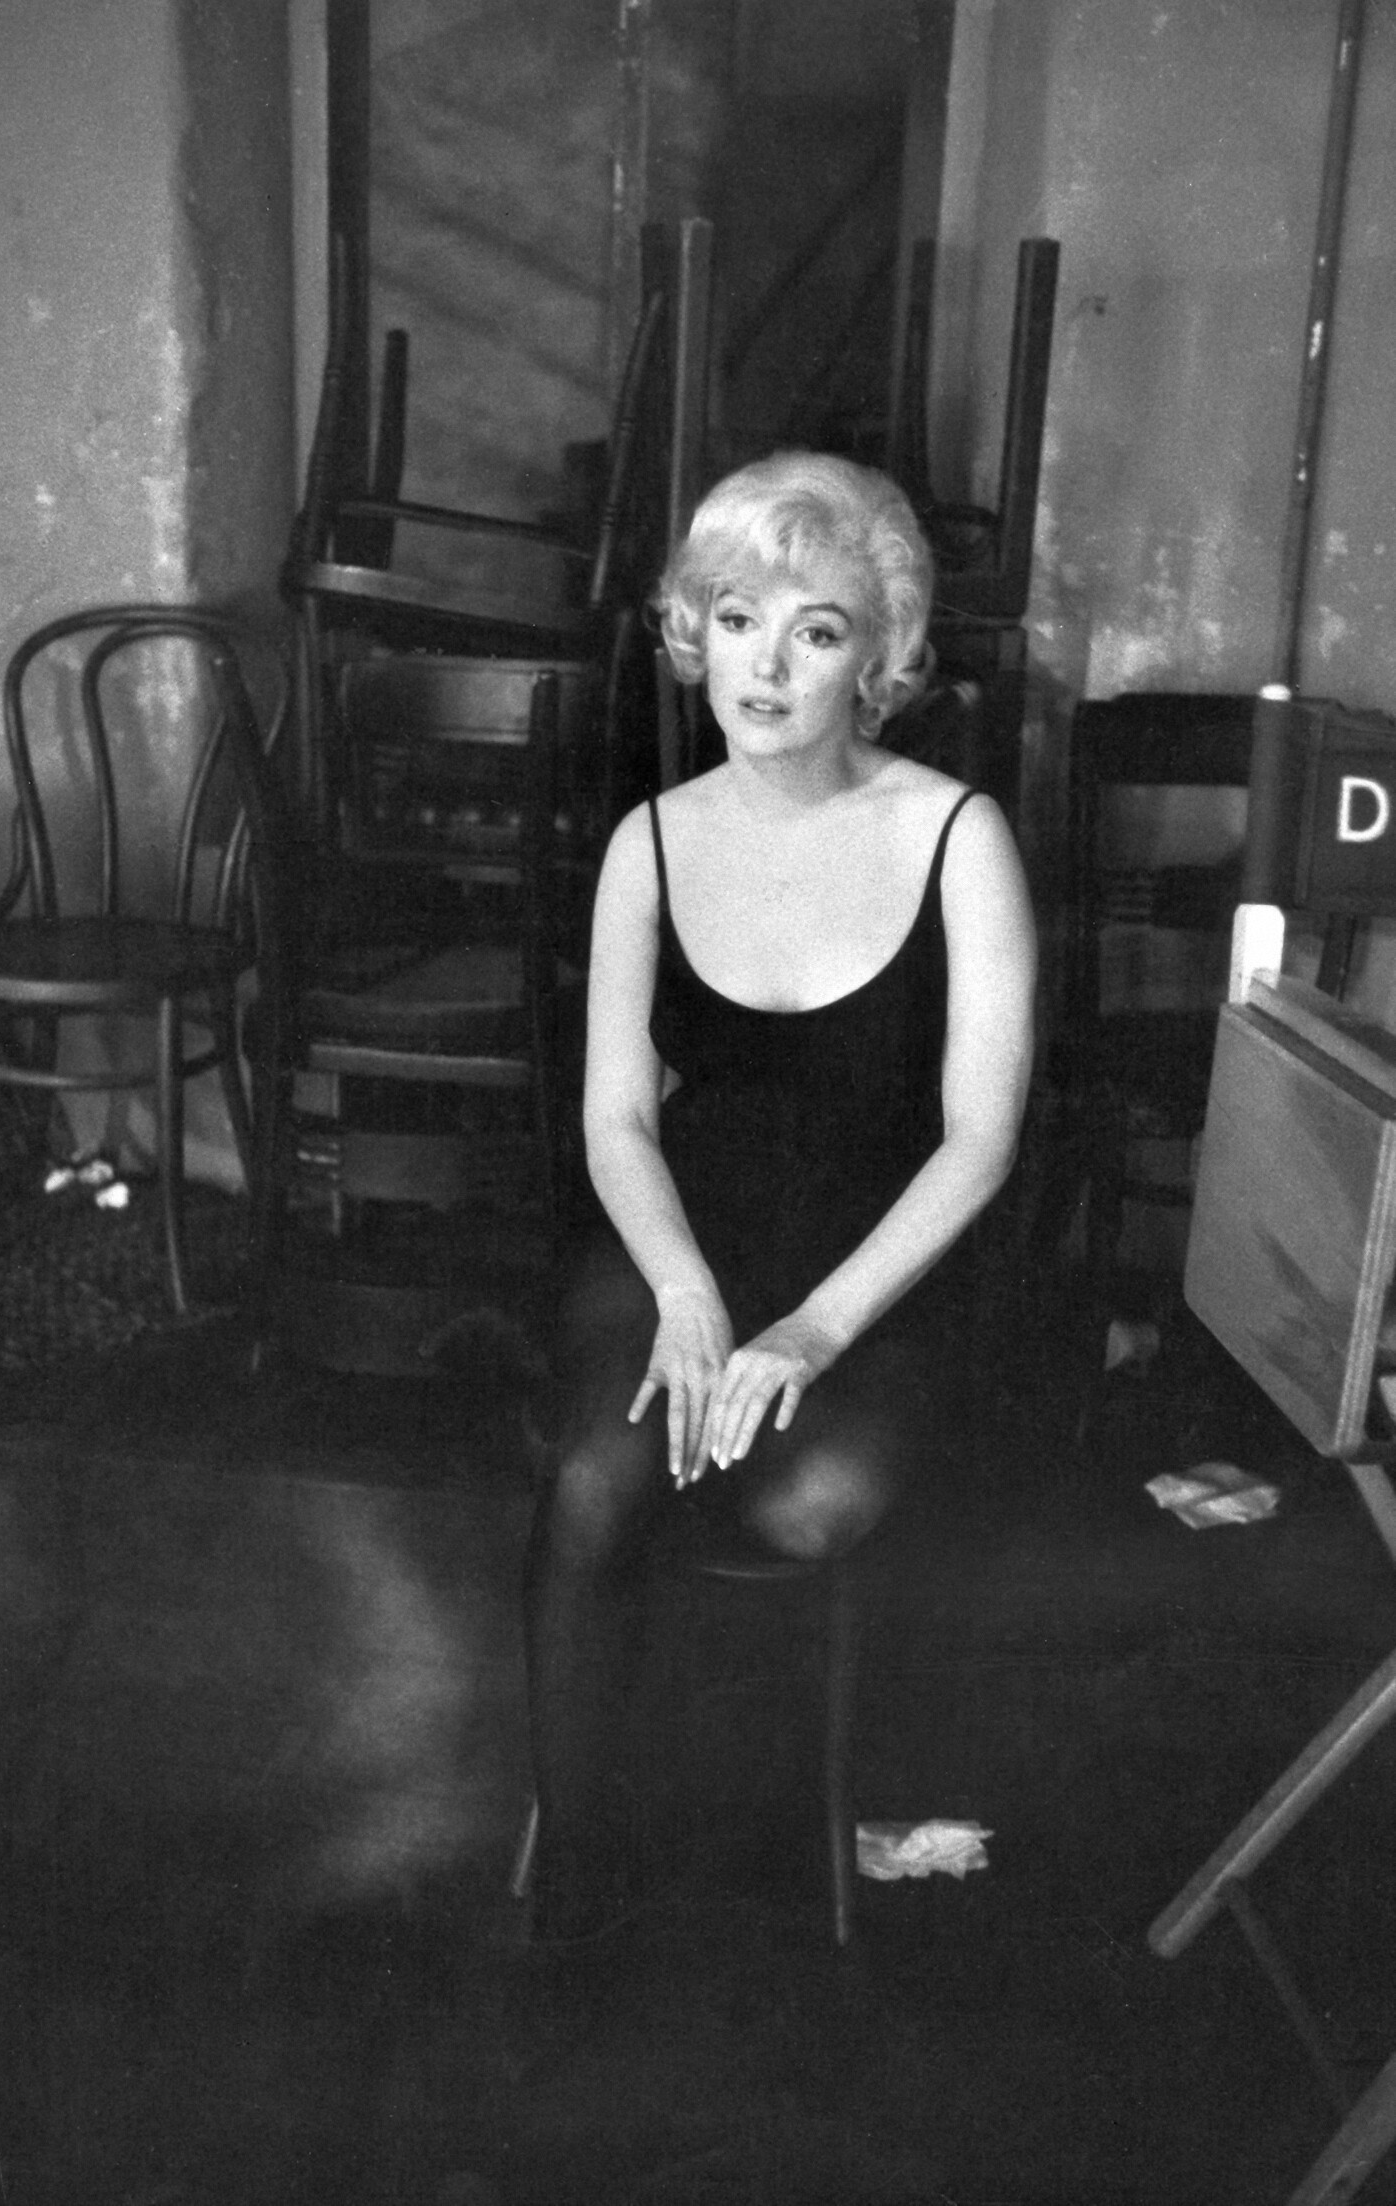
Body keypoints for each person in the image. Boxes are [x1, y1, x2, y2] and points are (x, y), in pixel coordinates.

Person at [522, 450, 1036, 1945]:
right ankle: (575, 1886)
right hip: (679, 1241)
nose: (764, 664)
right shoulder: (648, 843)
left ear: (876, 661)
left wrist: (811, 1331)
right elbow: (617, 1117)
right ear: (695, 633)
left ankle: (745, 1812)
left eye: (815, 631)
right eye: (736, 619)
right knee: (600, 1478)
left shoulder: (959, 837)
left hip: (877, 1264)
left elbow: (978, 1140)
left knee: (811, 1506)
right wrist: (686, 1293)